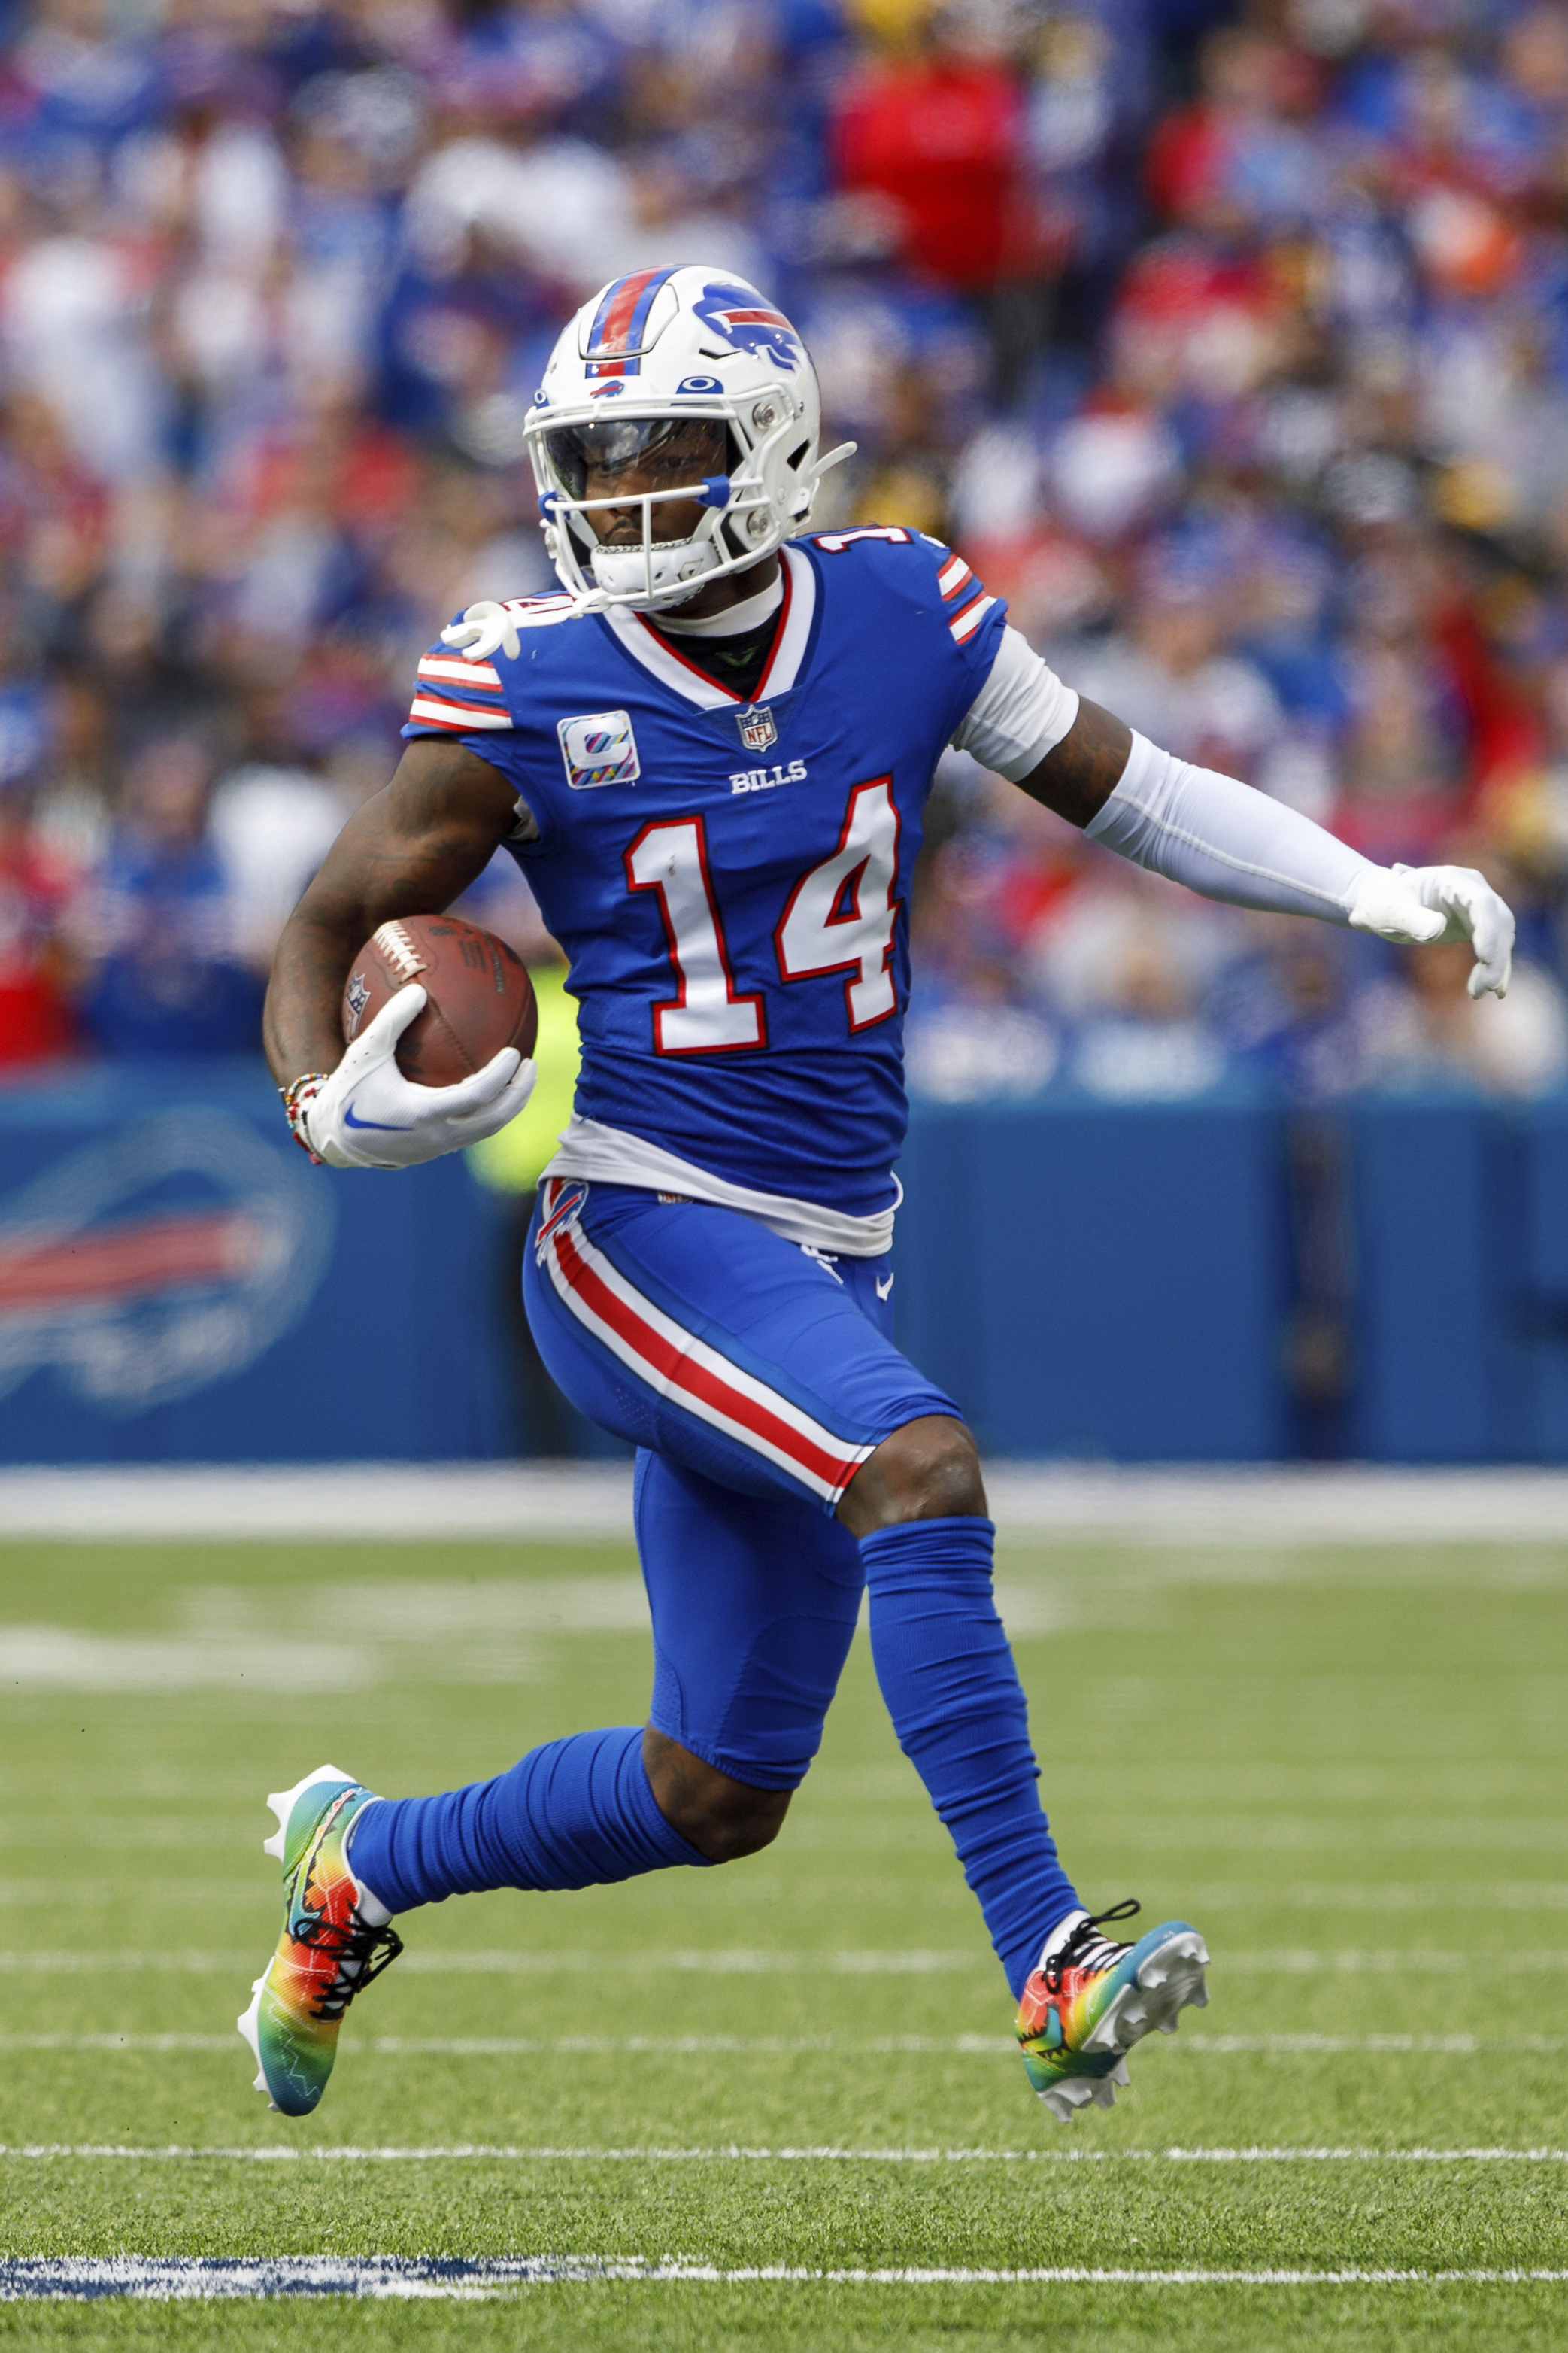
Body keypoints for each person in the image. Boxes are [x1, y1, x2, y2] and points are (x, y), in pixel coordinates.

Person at [246, 265, 1515, 2125]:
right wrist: (313, 1096)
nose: (611, 503)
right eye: (587, 463)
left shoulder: (899, 605)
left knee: (716, 1793)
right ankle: (1046, 1961)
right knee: (915, 1469)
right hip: (639, 1224)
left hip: (827, 1248)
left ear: (765, 453)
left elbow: (1132, 787)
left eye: (657, 457)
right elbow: (325, 918)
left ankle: (360, 1862)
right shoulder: (529, 675)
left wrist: (1359, 884)